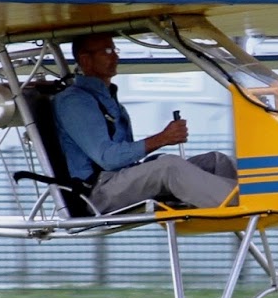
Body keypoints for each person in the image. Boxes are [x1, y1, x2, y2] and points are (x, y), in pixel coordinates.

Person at [53, 33, 239, 214]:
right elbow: (108, 159)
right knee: (169, 166)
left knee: (216, 161)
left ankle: (257, 190)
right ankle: (240, 201)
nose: (116, 56)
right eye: (107, 51)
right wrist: (163, 138)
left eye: (115, 49)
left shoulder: (108, 100)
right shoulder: (74, 102)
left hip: (120, 179)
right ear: (85, 60)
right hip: (97, 192)